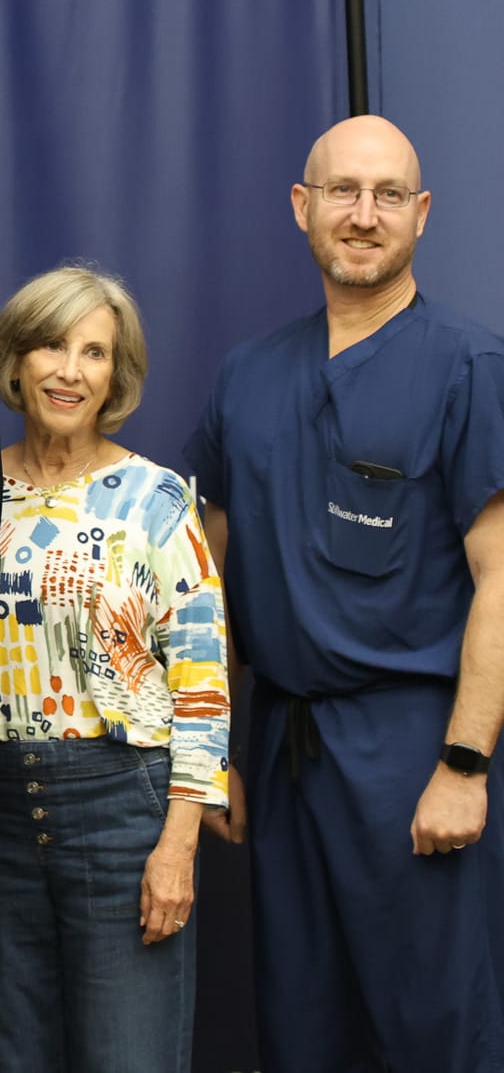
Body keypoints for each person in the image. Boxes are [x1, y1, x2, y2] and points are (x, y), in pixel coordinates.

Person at [186, 114, 504, 1072]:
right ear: (303, 205)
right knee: (301, 1028)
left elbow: (500, 579)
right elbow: (206, 581)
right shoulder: (248, 375)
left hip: (411, 750)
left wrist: (464, 763)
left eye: (388, 195)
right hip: (283, 750)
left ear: (422, 213)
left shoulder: (469, 366)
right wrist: (214, 752)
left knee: (433, 1028)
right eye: (342, 192)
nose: (364, 215)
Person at [0, 265, 228, 1072]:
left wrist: (179, 844)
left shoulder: (154, 498)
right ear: (15, 360)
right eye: (51, 346)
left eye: (94, 352)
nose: (70, 371)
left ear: (116, 373)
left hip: (121, 809)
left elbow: (203, 682)